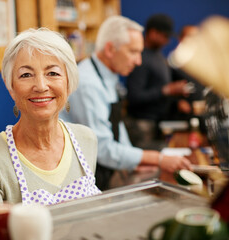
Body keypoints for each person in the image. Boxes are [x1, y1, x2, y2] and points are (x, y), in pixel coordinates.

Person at [0, 28, 101, 218]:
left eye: (52, 73)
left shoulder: (86, 139)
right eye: (26, 75)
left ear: (68, 82)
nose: (40, 86)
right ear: (10, 86)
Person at [60, 15, 192, 191]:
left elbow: (117, 125)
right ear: (110, 49)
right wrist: (157, 159)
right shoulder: (88, 84)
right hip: (81, 178)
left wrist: (134, 162)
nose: (138, 61)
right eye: (133, 51)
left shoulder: (108, 75)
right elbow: (103, 148)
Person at [126, 14, 192, 149]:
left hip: (157, 123)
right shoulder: (140, 58)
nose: (167, 41)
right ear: (153, 33)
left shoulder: (157, 55)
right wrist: (166, 90)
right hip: (142, 126)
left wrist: (176, 99)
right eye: (165, 36)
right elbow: (134, 96)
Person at [170, 25, 206, 119]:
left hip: (201, 117)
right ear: (180, 39)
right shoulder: (173, 64)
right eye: (190, 36)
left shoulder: (204, 65)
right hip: (180, 118)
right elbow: (164, 90)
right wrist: (178, 102)